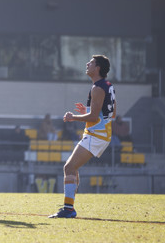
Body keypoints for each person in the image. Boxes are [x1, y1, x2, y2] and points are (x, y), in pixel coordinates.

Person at [49, 55, 116, 219]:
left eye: (91, 63)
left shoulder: (97, 88)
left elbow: (94, 117)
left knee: (69, 167)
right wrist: (86, 112)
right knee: (72, 168)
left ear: (98, 68)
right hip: (100, 134)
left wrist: (73, 117)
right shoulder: (107, 85)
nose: (87, 64)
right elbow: (112, 113)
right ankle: (69, 206)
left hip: (96, 135)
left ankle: (69, 209)